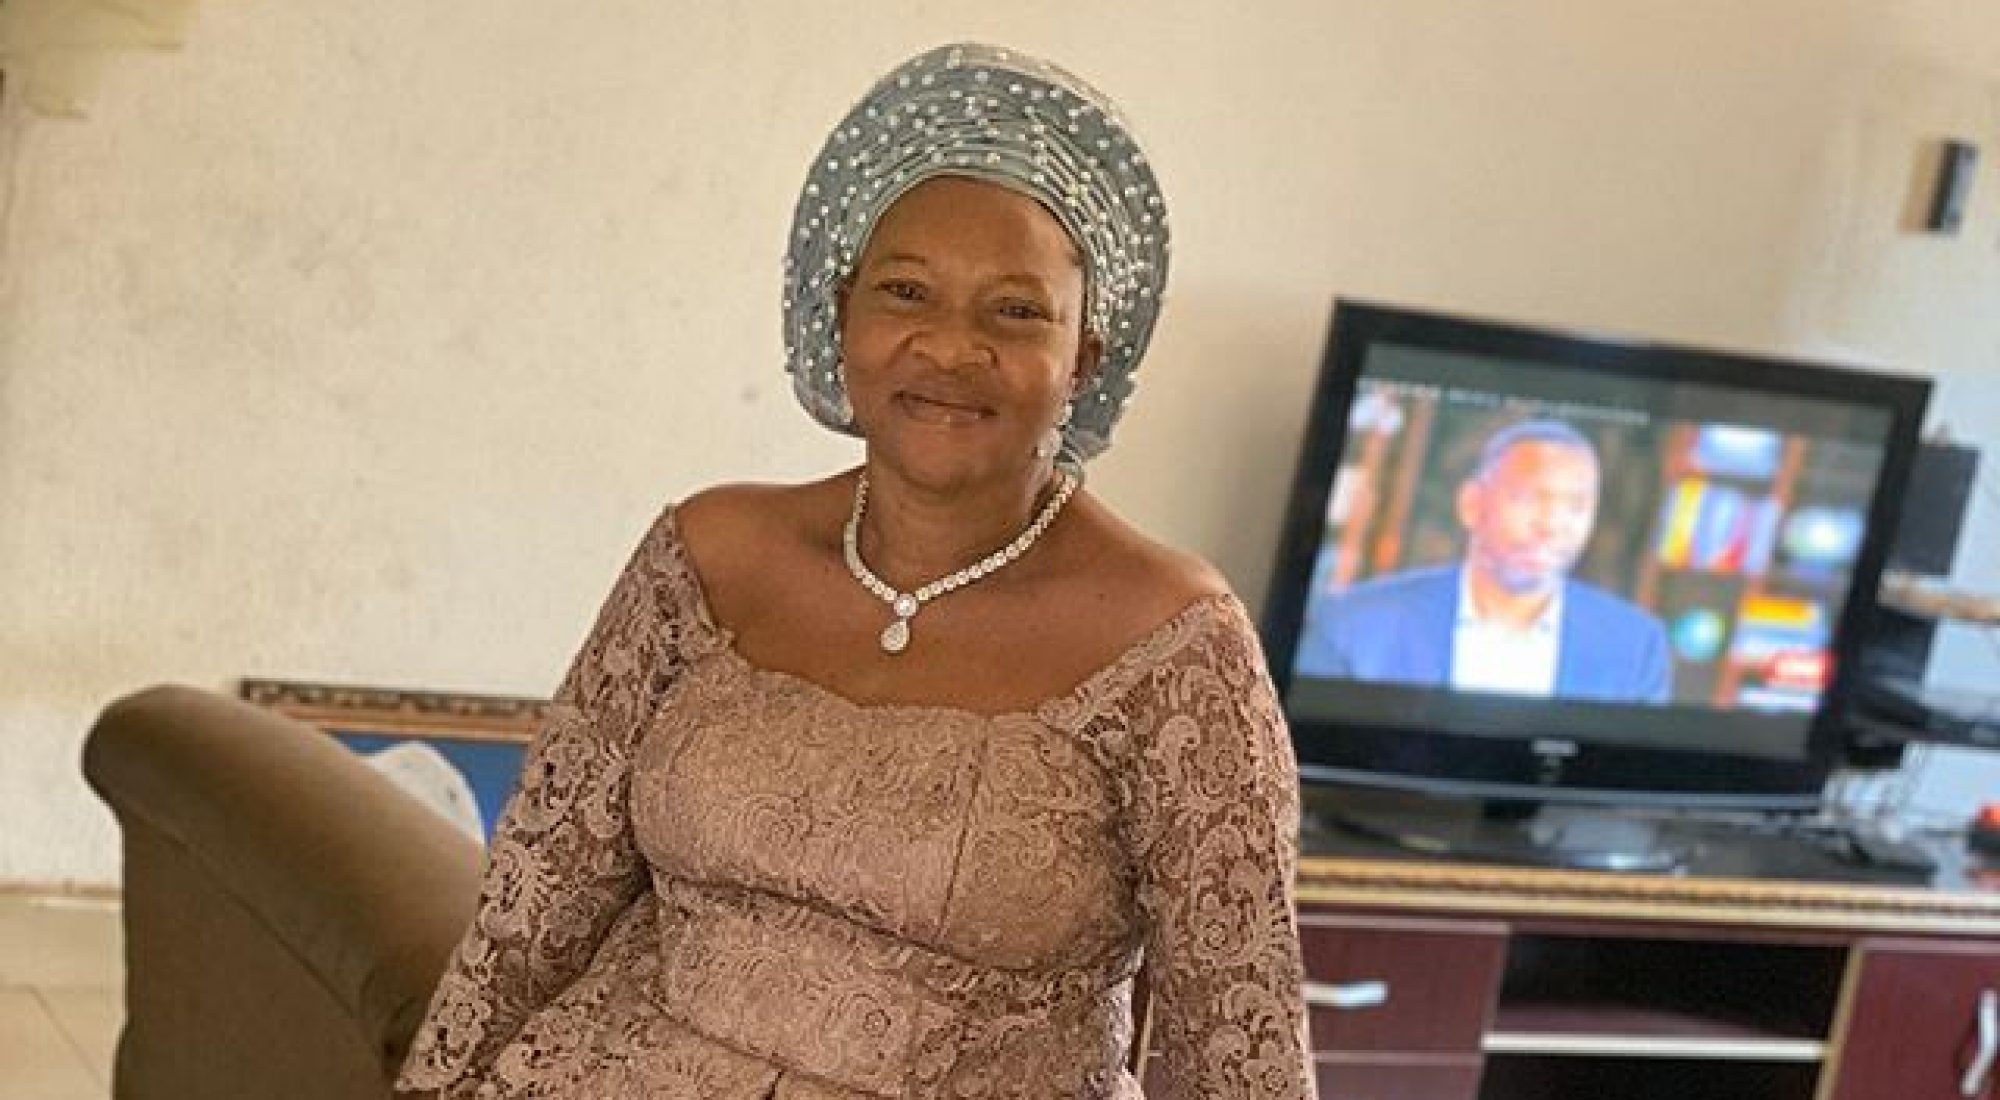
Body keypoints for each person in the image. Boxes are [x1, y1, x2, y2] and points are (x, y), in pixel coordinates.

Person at [394, 43, 1314, 1100]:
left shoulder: (1174, 643)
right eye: (906, 291)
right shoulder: (705, 554)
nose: (951, 347)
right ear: (841, 316)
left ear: (1085, 359)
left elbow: (1239, 1058)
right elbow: (527, 923)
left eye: (1015, 310)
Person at [1295, 418, 1672, 703]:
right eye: (1527, 498)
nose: (1551, 525)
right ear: (1472, 504)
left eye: (1576, 506)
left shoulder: (1637, 646)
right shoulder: (1353, 623)